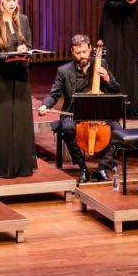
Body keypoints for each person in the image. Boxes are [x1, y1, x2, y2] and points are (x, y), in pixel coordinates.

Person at [38, 34, 120, 183]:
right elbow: (54, 93)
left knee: (115, 128)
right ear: (72, 52)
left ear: (90, 49)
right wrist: (45, 105)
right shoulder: (64, 71)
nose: (82, 56)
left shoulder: (101, 64)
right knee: (68, 127)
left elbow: (116, 89)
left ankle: (102, 168)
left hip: (98, 112)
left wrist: (108, 78)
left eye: (84, 51)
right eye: (78, 53)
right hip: (74, 112)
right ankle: (83, 168)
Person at [0, 0, 36, 179]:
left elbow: (30, 46)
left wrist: (25, 51)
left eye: (15, 0)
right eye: (8, 1)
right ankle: (3, 167)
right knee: (4, 122)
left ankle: (23, 166)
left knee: (21, 122)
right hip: (2, 77)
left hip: (21, 75)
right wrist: (12, 55)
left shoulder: (23, 20)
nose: (12, 4)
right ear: (0, 2)